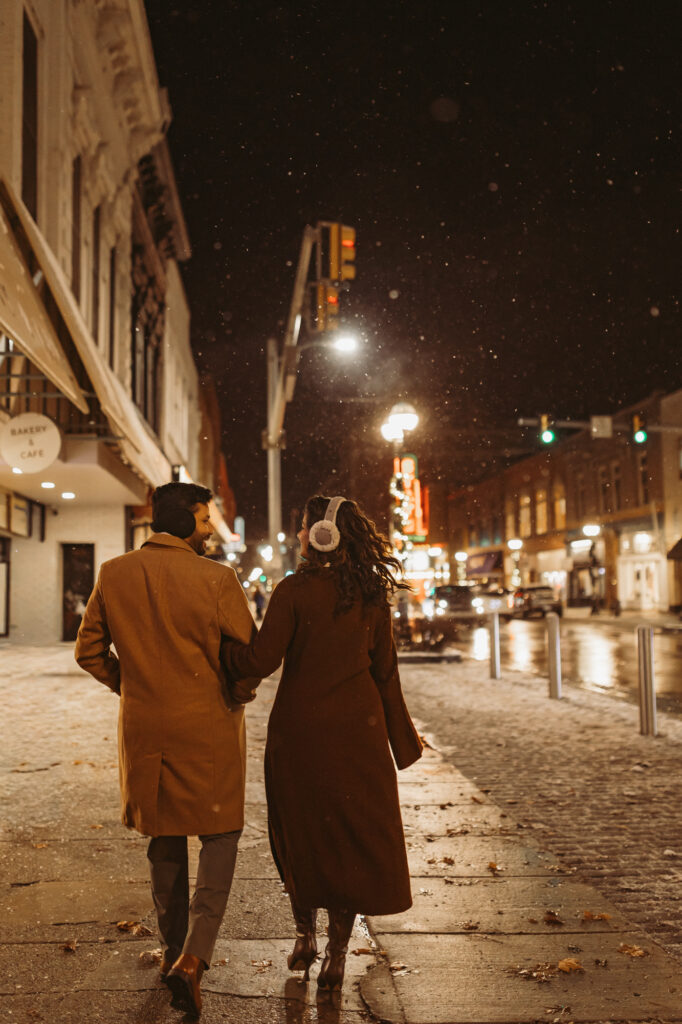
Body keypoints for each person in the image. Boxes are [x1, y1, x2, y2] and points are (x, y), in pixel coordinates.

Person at [221, 494, 423, 991]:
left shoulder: (293, 591)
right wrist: (403, 742)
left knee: (301, 833)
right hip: (359, 735)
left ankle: (303, 935)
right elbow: (386, 673)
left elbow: (260, 660)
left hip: (300, 735)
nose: (300, 535)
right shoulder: (373, 594)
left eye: (304, 526)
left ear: (319, 535)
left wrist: (221, 653)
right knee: (349, 839)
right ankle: (336, 954)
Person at [75, 482, 258, 1018]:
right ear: (183, 521)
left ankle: (172, 948)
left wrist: (131, 687)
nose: (208, 531)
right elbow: (247, 657)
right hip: (210, 730)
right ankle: (194, 958)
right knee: (220, 834)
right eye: (204, 520)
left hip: (147, 731)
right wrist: (234, 691)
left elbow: (88, 650)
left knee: (164, 836)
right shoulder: (217, 579)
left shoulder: (114, 573)